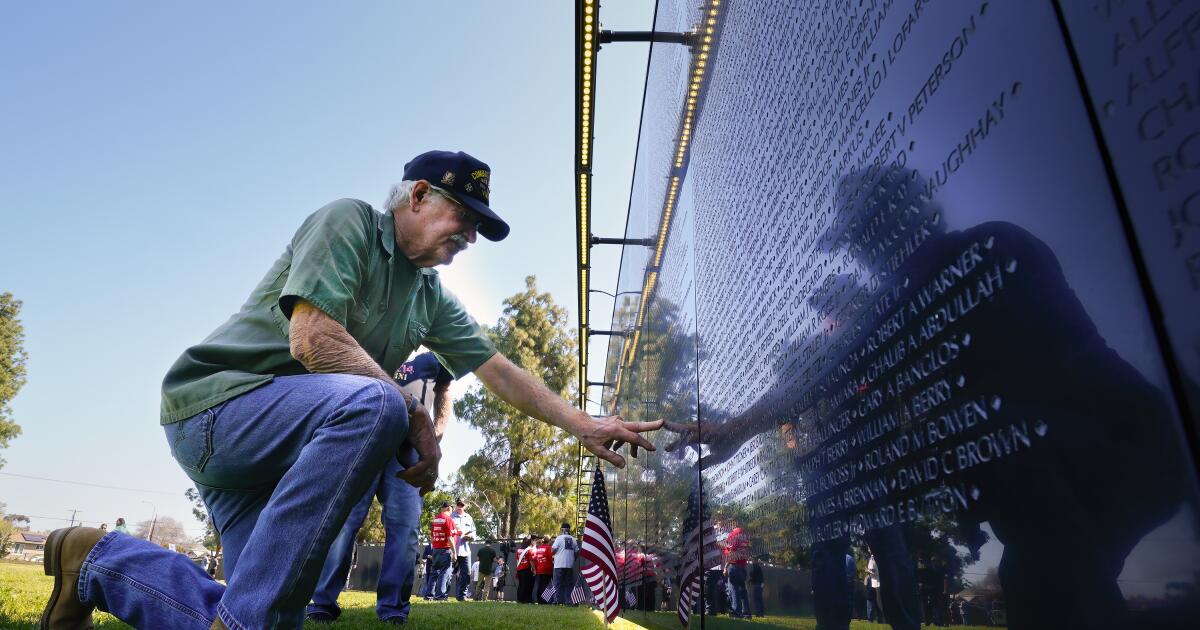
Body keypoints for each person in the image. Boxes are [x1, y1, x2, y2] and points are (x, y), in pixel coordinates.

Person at [38, 149, 662, 630]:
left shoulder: (428, 295)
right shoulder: (350, 223)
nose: (469, 238)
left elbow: (499, 370)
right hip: (219, 409)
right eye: (463, 219)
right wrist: (411, 419)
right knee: (376, 403)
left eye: (476, 230)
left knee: (257, 615)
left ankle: (95, 561)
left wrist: (585, 424)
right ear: (417, 196)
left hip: (275, 452)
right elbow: (311, 338)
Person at [306, 351, 454, 624]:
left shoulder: (433, 348)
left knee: (406, 527)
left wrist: (436, 434)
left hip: (409, 449)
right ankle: (323, 602)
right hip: (362, 437)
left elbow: (444, 390)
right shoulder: (368, 335)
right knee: (343, 521)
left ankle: (393, 609)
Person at [428, 501, 457, 601]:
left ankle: (429, 595)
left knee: (434, 572)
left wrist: (433, 549)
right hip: (445, 549)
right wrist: (454, 553)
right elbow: (450, 538)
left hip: (436, 549)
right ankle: (440, 595)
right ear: (449, 508)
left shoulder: (436, 519)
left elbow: (432, 537)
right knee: (444, 572)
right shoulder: (448, 520)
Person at [450, 498, 477, 601]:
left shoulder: (469, 518)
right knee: (447, 573)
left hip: (465, 550)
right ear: (456, 505)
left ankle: (462, 596)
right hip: (453, 550)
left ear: (465, 506)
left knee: (467, 574)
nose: (460, 506)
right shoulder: (451, 517)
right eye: (458, 504)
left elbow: (474, 532)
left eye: (462, 505)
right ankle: (441, 595)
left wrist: (470, 536)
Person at [724, 527, 751, 619]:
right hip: (743, 567)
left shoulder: (732, 535)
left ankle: (736, 612)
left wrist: (725, 566)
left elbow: (730, 552)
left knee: (734, 589)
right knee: (743, 590)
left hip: (734, 566)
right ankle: (747, 613)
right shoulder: (745, 537)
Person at [550, 522, 577, 605]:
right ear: (569, 530)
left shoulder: (559, 538)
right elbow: (577, 551)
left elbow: (552, 550)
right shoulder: (573, 539)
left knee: (557, 583)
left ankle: (557, 601)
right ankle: (569, 601)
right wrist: (573, 559)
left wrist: (554, 552)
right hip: (569, 565)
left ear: (562, 529)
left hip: (559, 564)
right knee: (569, 584)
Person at [533, 535, 554, 604]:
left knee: (540, 586)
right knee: (546, 586)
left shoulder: (539, 548)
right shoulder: (548, 548)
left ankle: (539, 600)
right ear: (549, 541)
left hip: (539, 569)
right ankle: (544, 601)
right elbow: (552, 559)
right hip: (547, 570)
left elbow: (535, 559)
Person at [515, 537, 535, 604]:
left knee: (520, 585)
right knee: (525, 585)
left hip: (519, 569)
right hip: (526, 569)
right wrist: (534, 569)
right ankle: (524, 600)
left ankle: (519, 599)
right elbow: (531, 561)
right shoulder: (529, 550)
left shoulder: (518, 550)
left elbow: (517, 560)